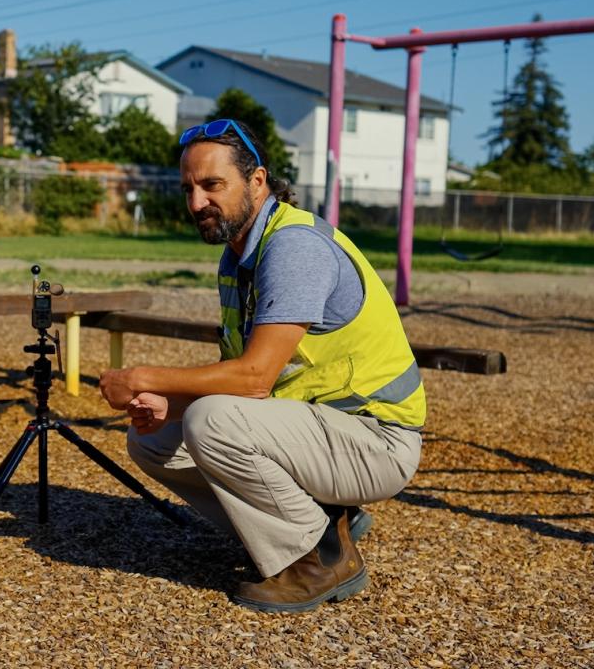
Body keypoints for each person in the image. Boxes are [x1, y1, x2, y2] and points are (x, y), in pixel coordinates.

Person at [99, 119, 424, 613]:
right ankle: (316, 520)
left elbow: (252, 380)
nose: (196, 203)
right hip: (323, 433)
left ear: (257, 181)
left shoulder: (293, 247)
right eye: (188, 188)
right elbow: (242, 381)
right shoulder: (238, 256)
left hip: (377, 441)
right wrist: (169, 402)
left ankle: (320, 558)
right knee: (154, 439)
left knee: (212, 422)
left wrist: (145, 378)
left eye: (212, 185)